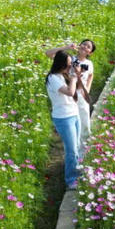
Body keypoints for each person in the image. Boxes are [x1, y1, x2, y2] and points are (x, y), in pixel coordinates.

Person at [44, 39, 94, 151]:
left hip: (81, 96)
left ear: (90, 53)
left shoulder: (89, 64)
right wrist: (66, 47)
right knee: (73, 126)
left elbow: (91, 75)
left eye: (88, 47)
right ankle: (75, 150)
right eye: (84, 44)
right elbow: (48, 53)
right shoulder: (69, 59)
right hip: (69, 95)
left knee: (84, 124)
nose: (85, 47)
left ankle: (84, 151)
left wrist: (87, 89)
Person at [45, 51, 81, 190]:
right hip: (64, 117)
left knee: (76, 147)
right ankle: (71, 180)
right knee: (71, 150)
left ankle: (76, 173)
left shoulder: (63, 75)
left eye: (71, 64)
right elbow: (70, 92)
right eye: (67, 65)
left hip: (74, 113)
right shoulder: (53, 78)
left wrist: (77, 76)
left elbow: (76, 90)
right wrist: (73, 77)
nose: (70, 67)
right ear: (60, 64)